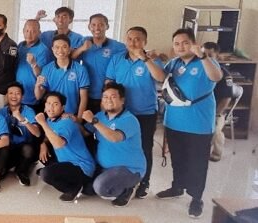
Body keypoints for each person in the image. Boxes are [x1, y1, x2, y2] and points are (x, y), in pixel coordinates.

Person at [156, 28, 222, 219]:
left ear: (193, 43)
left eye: (185, 42)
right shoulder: (174, 64)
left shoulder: (206, 62)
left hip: (199, 124)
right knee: (178, 159)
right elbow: (160, 77)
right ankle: (177, 187)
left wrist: (202, 56)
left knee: (197, 163)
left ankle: (196, 198)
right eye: (176, 44)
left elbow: (216, 77)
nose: (180, 47)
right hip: (174, 122)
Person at [104, 26, 165, 198]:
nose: (133, 42)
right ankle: (125, 181)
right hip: (121, 113)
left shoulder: (151, 59)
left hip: (145, 113)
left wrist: (145, 59)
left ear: (145, 42)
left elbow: (161, 78)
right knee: (121, 146)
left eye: (138, 39)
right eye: (130, 39)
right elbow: (109, 82)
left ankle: (144, 183)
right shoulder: (117, 59)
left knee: (145, 147)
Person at [82, 83, 146, 207]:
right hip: (105, 167)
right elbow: (85, 132)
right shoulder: (100, 116)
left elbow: (115, 137)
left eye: (112, 97)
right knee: (87, 188)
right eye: (105, 97)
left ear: (122, 100)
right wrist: (71, 120)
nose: (108, 100)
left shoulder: (129, 119)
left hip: (128, 169)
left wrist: (94, 121)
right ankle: (109, 180)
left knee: (100, 187)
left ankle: (128, 189)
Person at [35, 92, 96, 202]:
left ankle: (74, 188)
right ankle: (79, 183)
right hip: (66, 162)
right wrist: (43, 144)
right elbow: (48, 136)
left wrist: (43, 123)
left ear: (62, 107)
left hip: (81, 167)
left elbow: (59, 144)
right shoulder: (50, 120)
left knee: (46, 174)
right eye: (48, 103)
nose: (51, 107)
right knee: (39, 150)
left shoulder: (66, 122)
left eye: (55, 104)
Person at [71, 14, 126, 115]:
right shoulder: (84, 41)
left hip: (107, 95)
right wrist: (82, 48)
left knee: (103, 125)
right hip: (86, 94)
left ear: (107, 26)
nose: (97, 28)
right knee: (86, 126)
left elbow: (133, 52)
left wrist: (152, 54)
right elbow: (71, 57)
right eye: (94, 25)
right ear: (89, 27)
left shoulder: (116, 46)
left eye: (101, 24)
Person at [35, 34, 90, 121]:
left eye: (64, 47)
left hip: (71, 116)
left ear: (69, 49)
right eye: (57, 47)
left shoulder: (80, 69)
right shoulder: (46, 69)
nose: (60, 50)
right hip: (52, 116)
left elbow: (83, 97)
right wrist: (37, 86)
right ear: (52, 49)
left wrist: (79, 119)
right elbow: (38, 96)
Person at [0, 82, 41, 186]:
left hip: (24, 145)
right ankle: (9, 165)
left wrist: (22, 119)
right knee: (1, 163)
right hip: (8, 146)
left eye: (17, 93)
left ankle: (22, 171)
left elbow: (37, 133)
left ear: (22, 96)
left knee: (28, 150)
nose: (14, 96)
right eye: (11, 93)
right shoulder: (1, 112)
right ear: (6, 96)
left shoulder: (28, 111)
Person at [203, 41, 233, 162]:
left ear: (217, 57)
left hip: (217, 110)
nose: (206, 58)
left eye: (210, 55)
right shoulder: (199, 71)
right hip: (201, 109)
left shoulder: (224, 74)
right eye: (204, 54)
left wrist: (216, 114)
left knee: (215, 130)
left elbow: (227, 98)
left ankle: (216, 152)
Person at [16, 19, 52, 112]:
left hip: (33, 97)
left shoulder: (43, 50)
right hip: (18, 94)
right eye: (27, 31)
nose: (29, 34)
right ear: (23, 31)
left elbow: (42, 76)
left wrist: (34, 64)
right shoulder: (20, 46)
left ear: (39, 32)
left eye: (33, 31)